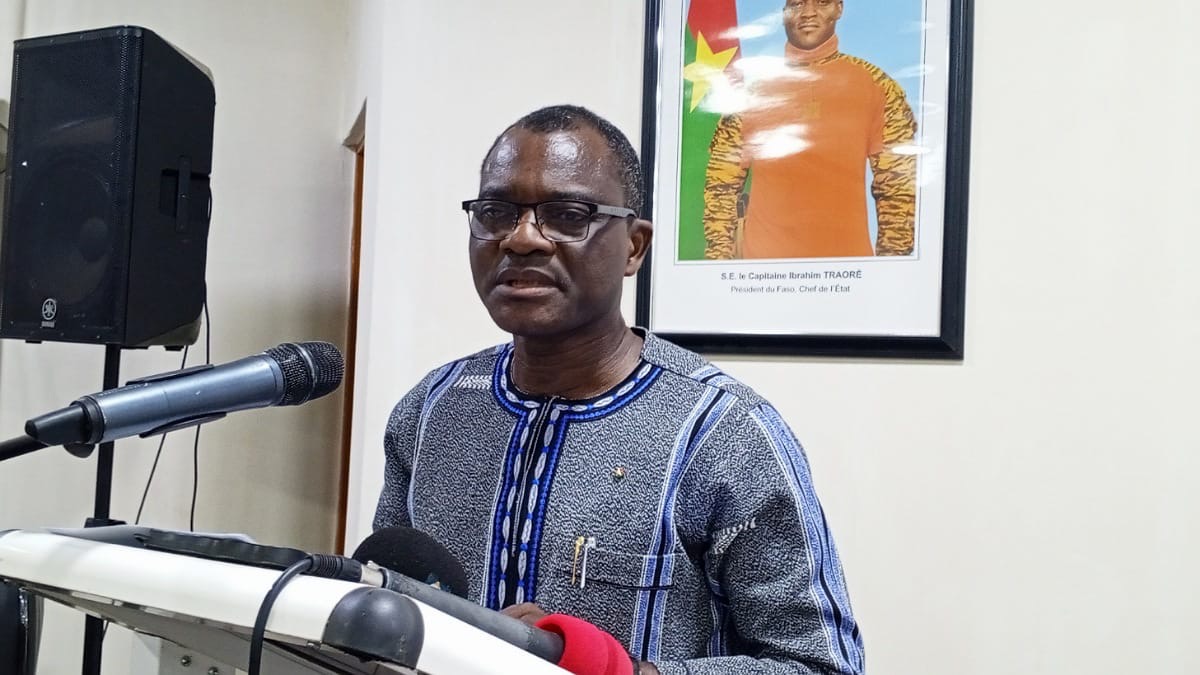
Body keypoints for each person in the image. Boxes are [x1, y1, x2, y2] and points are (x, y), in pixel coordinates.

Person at [374, 104, 862, 674]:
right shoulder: (432, 410)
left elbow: (819, 665)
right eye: (496, 212)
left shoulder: (724, 434)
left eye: (568, 215)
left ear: (634, 247)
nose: (522, 238)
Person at [703, 0, 917, 260]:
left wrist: (889, 268)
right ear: (784, 14)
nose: (808, 13)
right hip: (763, 277)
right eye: (797, 4)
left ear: (839, 8)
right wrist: (719, 266)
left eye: (822, 2)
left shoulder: (877, 86)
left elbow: (898, 188)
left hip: (846, 275)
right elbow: (721, 188)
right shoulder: (751, 96)